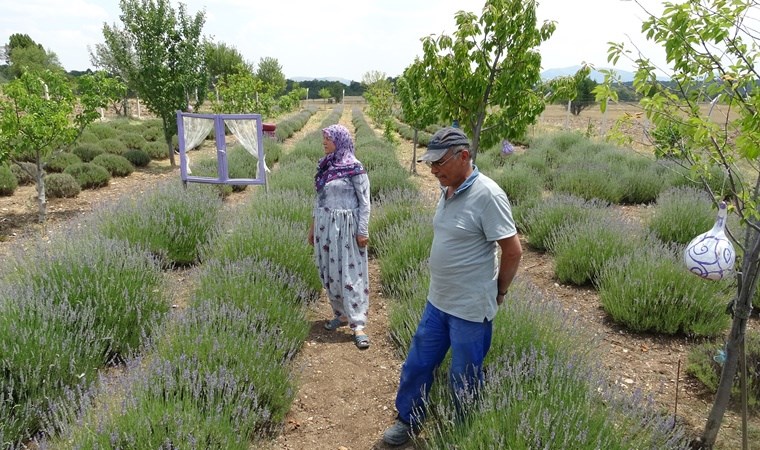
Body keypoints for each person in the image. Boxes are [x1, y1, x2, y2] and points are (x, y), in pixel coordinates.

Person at [382, 127, 522, 445]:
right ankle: (408, 419)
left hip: (470, 310)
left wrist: (499, 292)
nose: (433, 170)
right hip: (438, 302)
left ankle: (460, 434)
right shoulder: (448, 187)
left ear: (463, 156)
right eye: (430, 163)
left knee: (464, 377)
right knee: (418, 364)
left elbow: (513, 251)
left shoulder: (488, 195)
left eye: (439, 163)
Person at [308, 124, 371, 349]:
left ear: (340, 140)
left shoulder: (355, 167)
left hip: (347, 228)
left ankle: (358, 324)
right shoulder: (326, 166)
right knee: (328, 272)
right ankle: (341, 314)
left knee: (350, 273)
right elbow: (319, 200)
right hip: (325, 226)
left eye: (328, 138)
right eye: (323, 138)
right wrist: (313, 228)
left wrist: (362, 231)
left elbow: (365, 202)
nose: (324, 142)